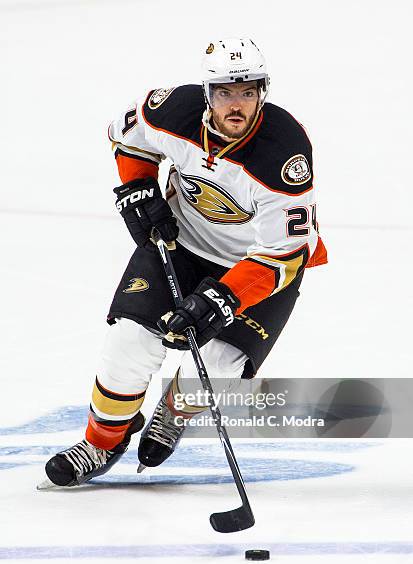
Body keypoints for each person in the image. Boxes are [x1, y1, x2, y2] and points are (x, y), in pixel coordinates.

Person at [42, 37, 327, 487]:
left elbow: (284, 256)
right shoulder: (171, 109)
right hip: (178, 245)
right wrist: (138, 188)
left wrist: (225, 298)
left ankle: (175, 409)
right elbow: (127, 139)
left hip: (254, 270)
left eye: (248, 92)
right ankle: (103, 441)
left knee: (215, 367)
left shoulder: (283, 154)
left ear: (262, 93)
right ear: (207, 93)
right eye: (226, 93)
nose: (237, 105)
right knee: (129, 345)